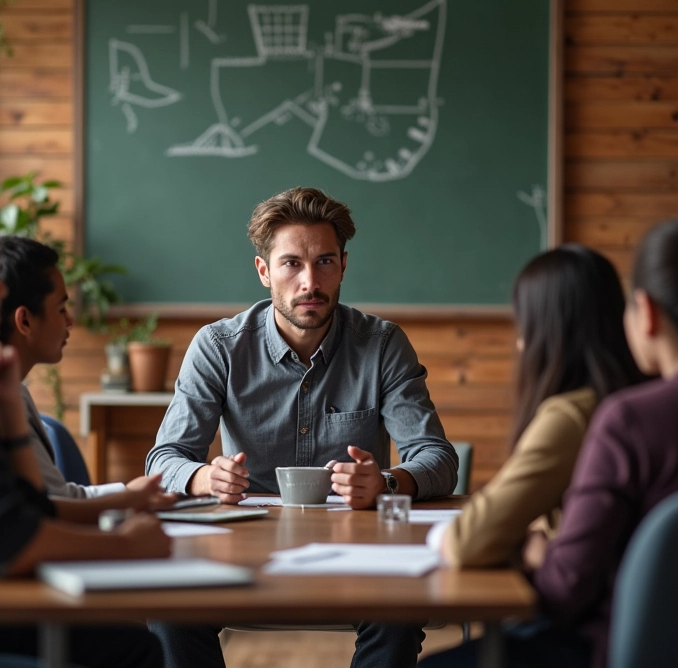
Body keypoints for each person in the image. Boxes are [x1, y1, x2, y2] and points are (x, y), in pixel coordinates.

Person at [146, 186, 458, 668]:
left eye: (325, 262)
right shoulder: (219, 347)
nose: (310, 281)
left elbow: (437, 458)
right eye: (292, 263)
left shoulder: (382, 345)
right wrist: (204, 477)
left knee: (398, 612)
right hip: (243, 547)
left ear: (344, 266)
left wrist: (388, 482)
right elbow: (163, 459)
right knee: (170, 613)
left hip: (359, 552)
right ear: (264, 271)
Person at [421, 218, 678, 668]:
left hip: (611, 646)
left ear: (645, 313)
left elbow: (563, 592)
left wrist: (537, 550)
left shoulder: (626, 421)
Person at [0, 179, 170, 668]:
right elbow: (1, 544)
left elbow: (26, 511)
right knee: (134, 651)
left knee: (130, 645)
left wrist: (10, 413)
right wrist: (122, 545)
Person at [426, 245, 644, 568]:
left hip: (579, 610)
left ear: (549, 331)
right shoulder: (638, 400)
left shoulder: (570, 417)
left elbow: (466, 543)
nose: (519, 342)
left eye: (525, 325)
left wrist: (535, 550)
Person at [0, 234, 177, 512]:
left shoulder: (12, 390)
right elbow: (50, 507)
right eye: (61, 309)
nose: (70, 319)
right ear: (24, 321)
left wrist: (128, 493)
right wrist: (128, 498)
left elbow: (51, 500)